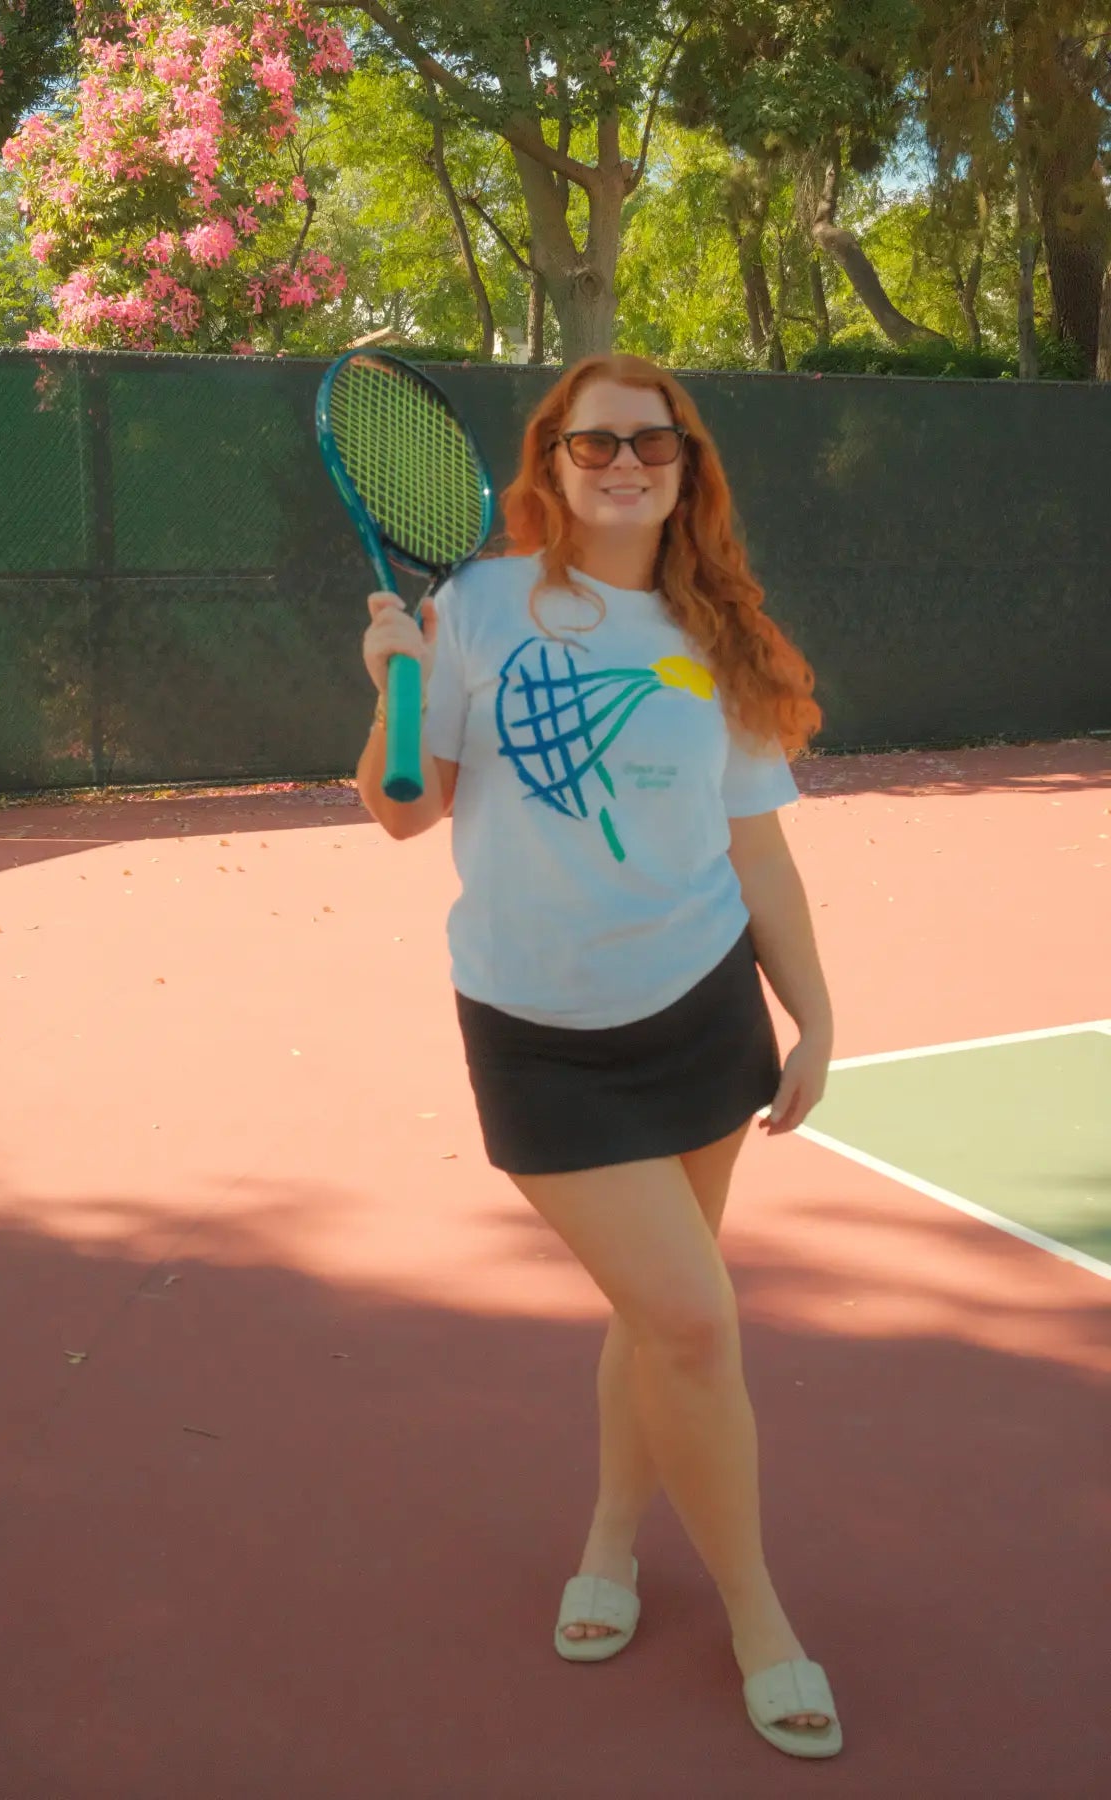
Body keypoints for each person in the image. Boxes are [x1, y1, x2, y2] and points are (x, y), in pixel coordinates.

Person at [356, 353, 842, 1761]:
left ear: (688, 469)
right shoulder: (482, 606)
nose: (624, 462)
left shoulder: (720, 634)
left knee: (658, 1320)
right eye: (594, 442)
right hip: (538, 1034)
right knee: (695, 1321)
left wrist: (815, 1010)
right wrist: (393, 683)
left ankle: (613, 1540)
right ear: (550, 462)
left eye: (653, 441)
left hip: (701, 1010)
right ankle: (760, 1616)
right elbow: (404, 810)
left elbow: (755, 841)